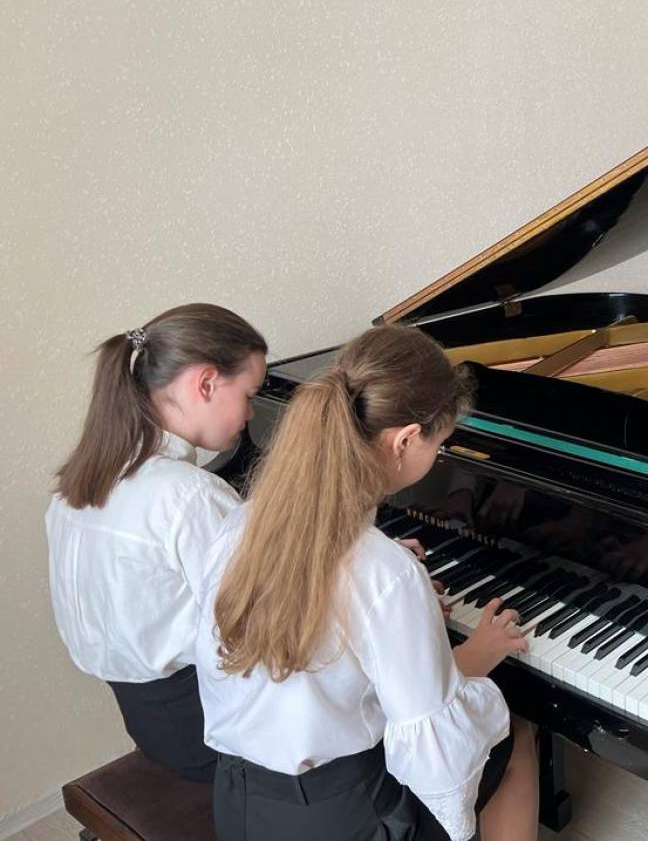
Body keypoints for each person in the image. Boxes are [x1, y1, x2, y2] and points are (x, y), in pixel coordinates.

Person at [195, 324, 538, 840]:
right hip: (345, 821)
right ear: (405, 440)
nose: (437, 458)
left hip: (240, 803)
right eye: (440, 445)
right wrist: (472, 656)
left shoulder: (243, 524)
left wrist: (394, 612)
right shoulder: (385, 573)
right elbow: (434, 757)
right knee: (517, 735)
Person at [46, 303, 268, 782]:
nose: (251, 413)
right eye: (249, 394)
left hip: (149, 720)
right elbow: (263, 622)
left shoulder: (83, 481)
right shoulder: (188, 495)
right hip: (210, 729)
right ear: (206, 384)